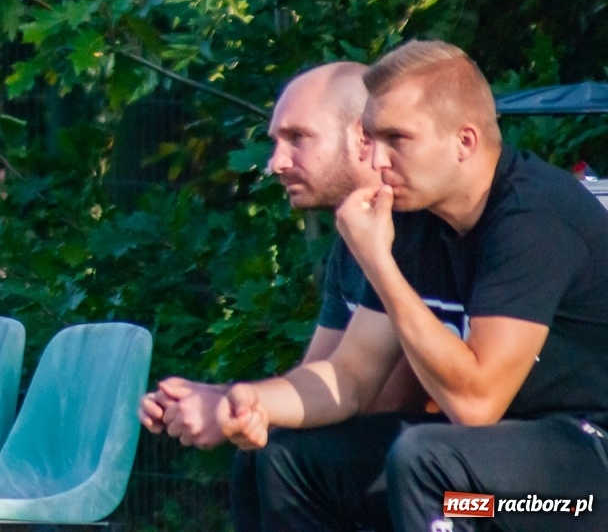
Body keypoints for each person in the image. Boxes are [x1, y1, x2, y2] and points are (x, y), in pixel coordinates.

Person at [215, 40, 608, 532]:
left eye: (397, 139)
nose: (377, 161)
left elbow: (475, 404)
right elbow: (352, 378)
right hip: (486, 474)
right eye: (372, 138)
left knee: (427, 467)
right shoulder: (417, 217)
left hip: (577, 494)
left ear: (464, 142)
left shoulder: (533, 220)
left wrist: (378, 263)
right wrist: (250, 402)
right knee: (282, 457)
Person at [137, 62, 422, 530]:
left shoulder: (413, 231)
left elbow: (383, 394)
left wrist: (236, 408)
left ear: (363, 138)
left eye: (297, 138)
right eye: (275, 142)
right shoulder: (351, 240)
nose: (277, 162)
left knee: (284, 456)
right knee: (263, 450)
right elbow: (321, 378)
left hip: (488, 492)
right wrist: (231, 401)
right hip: (416, 459)